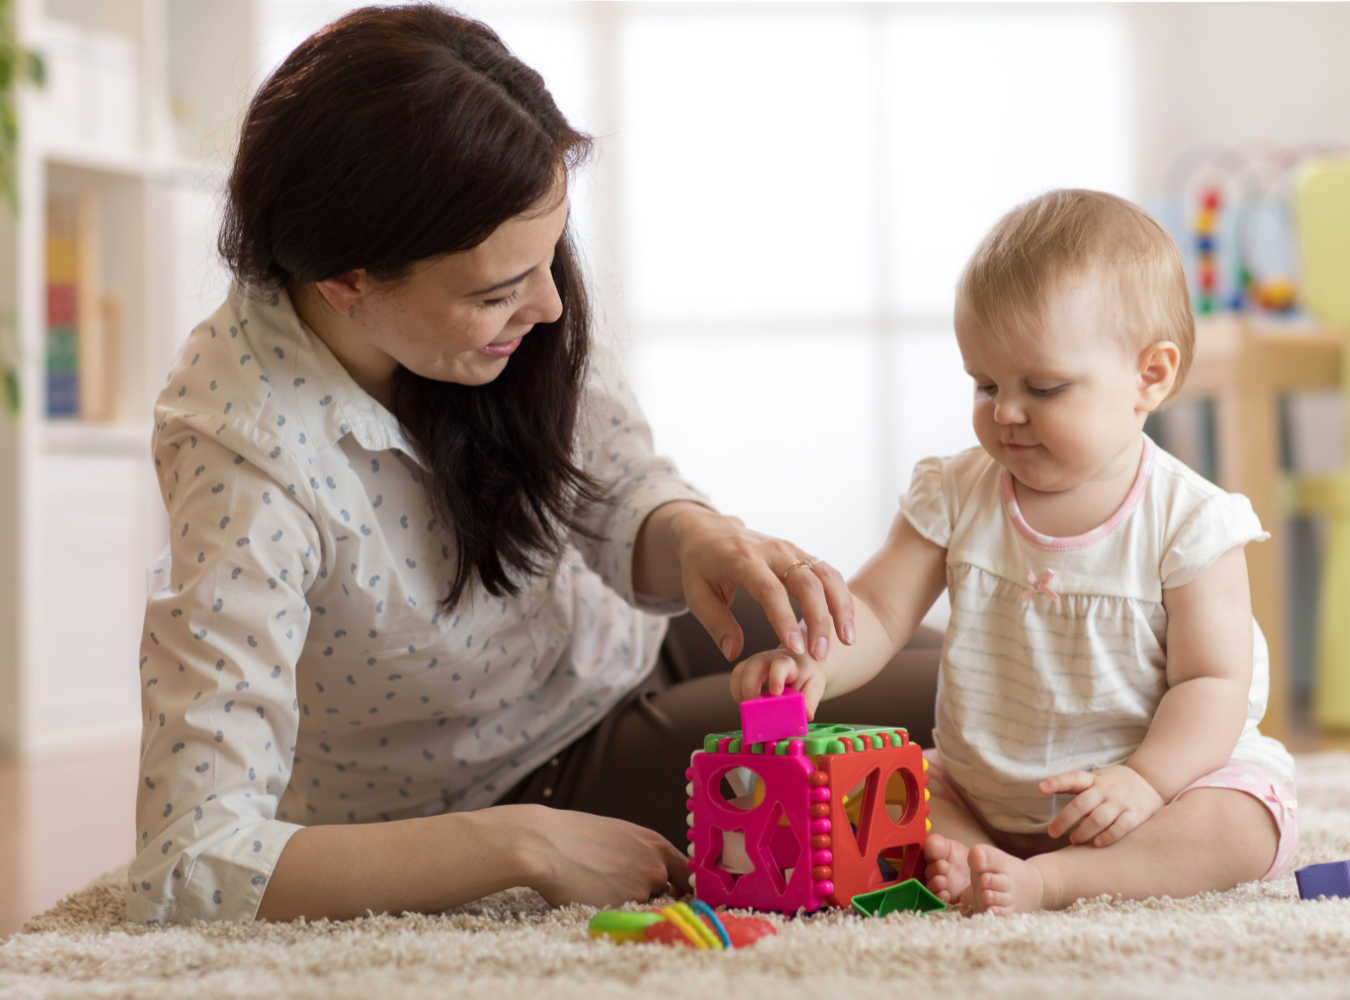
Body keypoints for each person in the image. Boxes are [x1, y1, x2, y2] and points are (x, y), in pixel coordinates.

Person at [128, 4, 939, 925]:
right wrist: (520, 843)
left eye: (551, 258)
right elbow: (189, 862)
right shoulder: (246, 455)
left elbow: (613, 482)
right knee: (960, 714)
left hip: (631, 641)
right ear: (347, 281)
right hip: (530, 768)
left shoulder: (482, 316)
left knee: (1000, 668)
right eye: (500, 291)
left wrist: (694, 537)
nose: (551, 307)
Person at [730, 189, 1297, 914]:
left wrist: (1145, 783)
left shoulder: (1191, 522)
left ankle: (1059, 881)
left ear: (1149, 377)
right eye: (985, 383)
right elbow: (875, 609)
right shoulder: (956, 491)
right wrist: (816, 663)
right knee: (895, 786)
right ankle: (978, 855)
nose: (1005, 412)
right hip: (984, 790)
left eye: (1044, 387)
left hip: (1145, 797)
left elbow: (1211, 684)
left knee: (1245, 824)